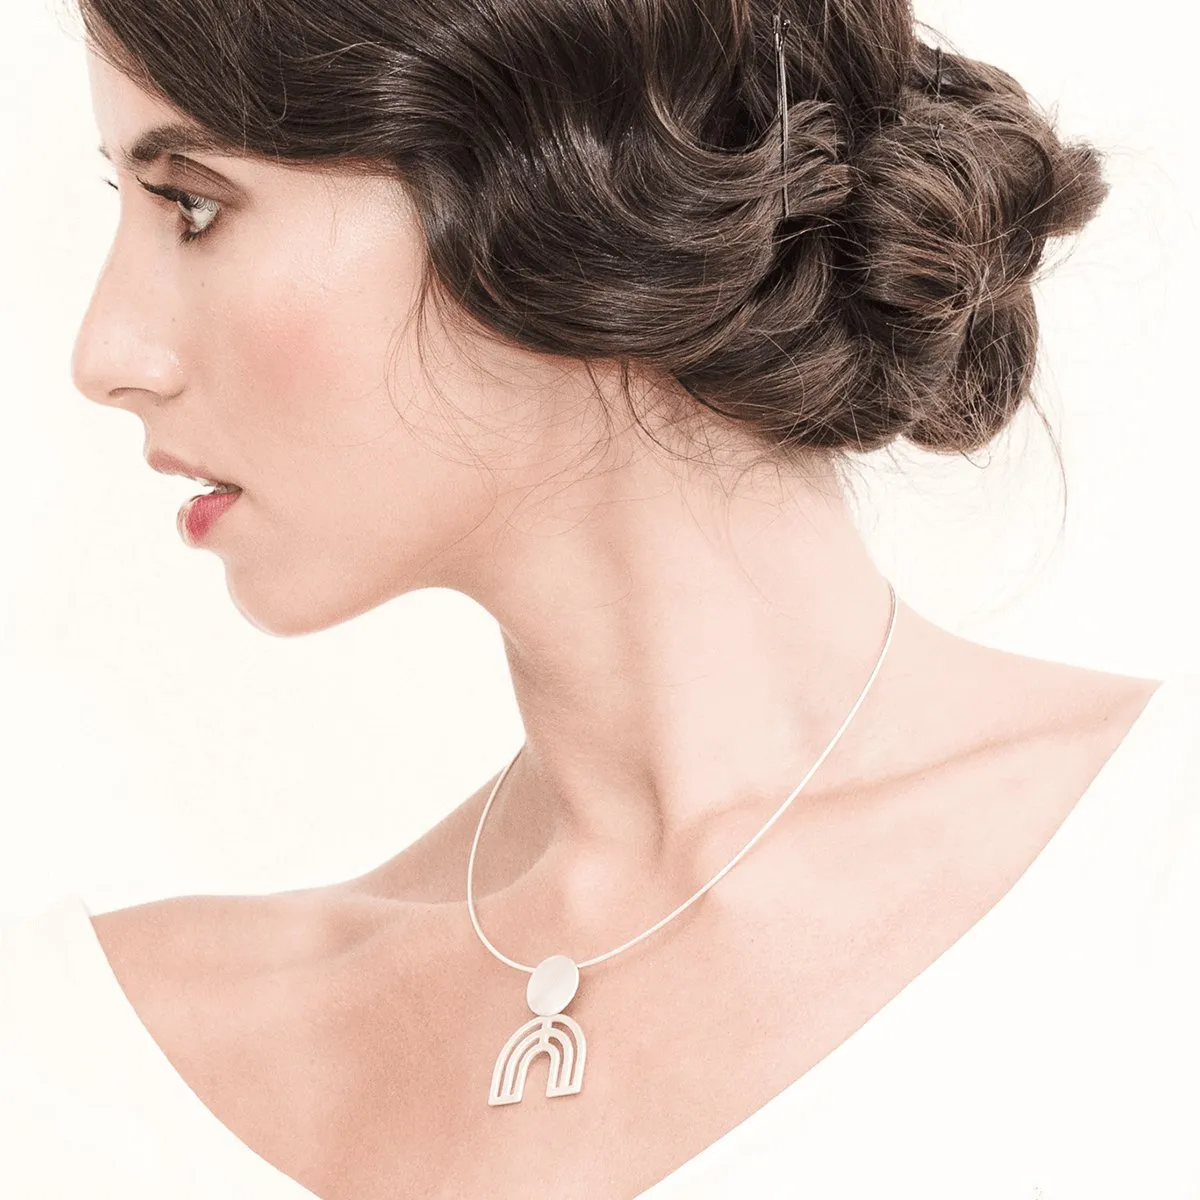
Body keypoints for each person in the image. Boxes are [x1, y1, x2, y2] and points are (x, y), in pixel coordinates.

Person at [2, 0, 1197, 1196]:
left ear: (558, 173)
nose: (104, 357)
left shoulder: (1156, 870)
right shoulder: (88, 1072)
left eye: (193, 205)